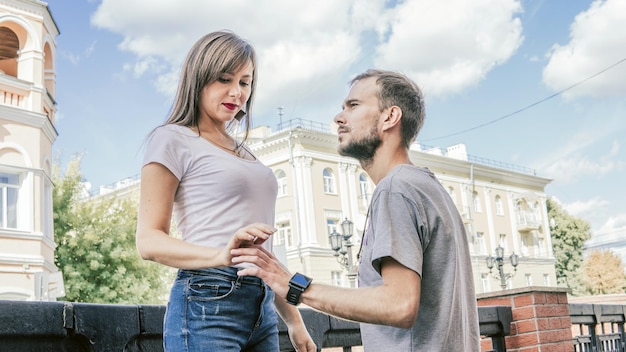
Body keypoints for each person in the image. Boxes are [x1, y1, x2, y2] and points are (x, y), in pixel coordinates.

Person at [231, 69, 480, 351]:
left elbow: (399, 305)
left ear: (390, 117)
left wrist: (294, 286)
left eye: (354, 106)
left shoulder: (395, 189)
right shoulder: (429, 188)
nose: (339, 118)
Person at [135, 30, 315, 352]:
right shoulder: (172, 139)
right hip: (207, 300)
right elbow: (148, 241)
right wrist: (221, 255)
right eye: (224, 79)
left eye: (245, 82)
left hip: (262, 307)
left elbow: (263, 253)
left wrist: (293, 320)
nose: (237, 92)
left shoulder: (246, 153)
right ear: (198, 79)